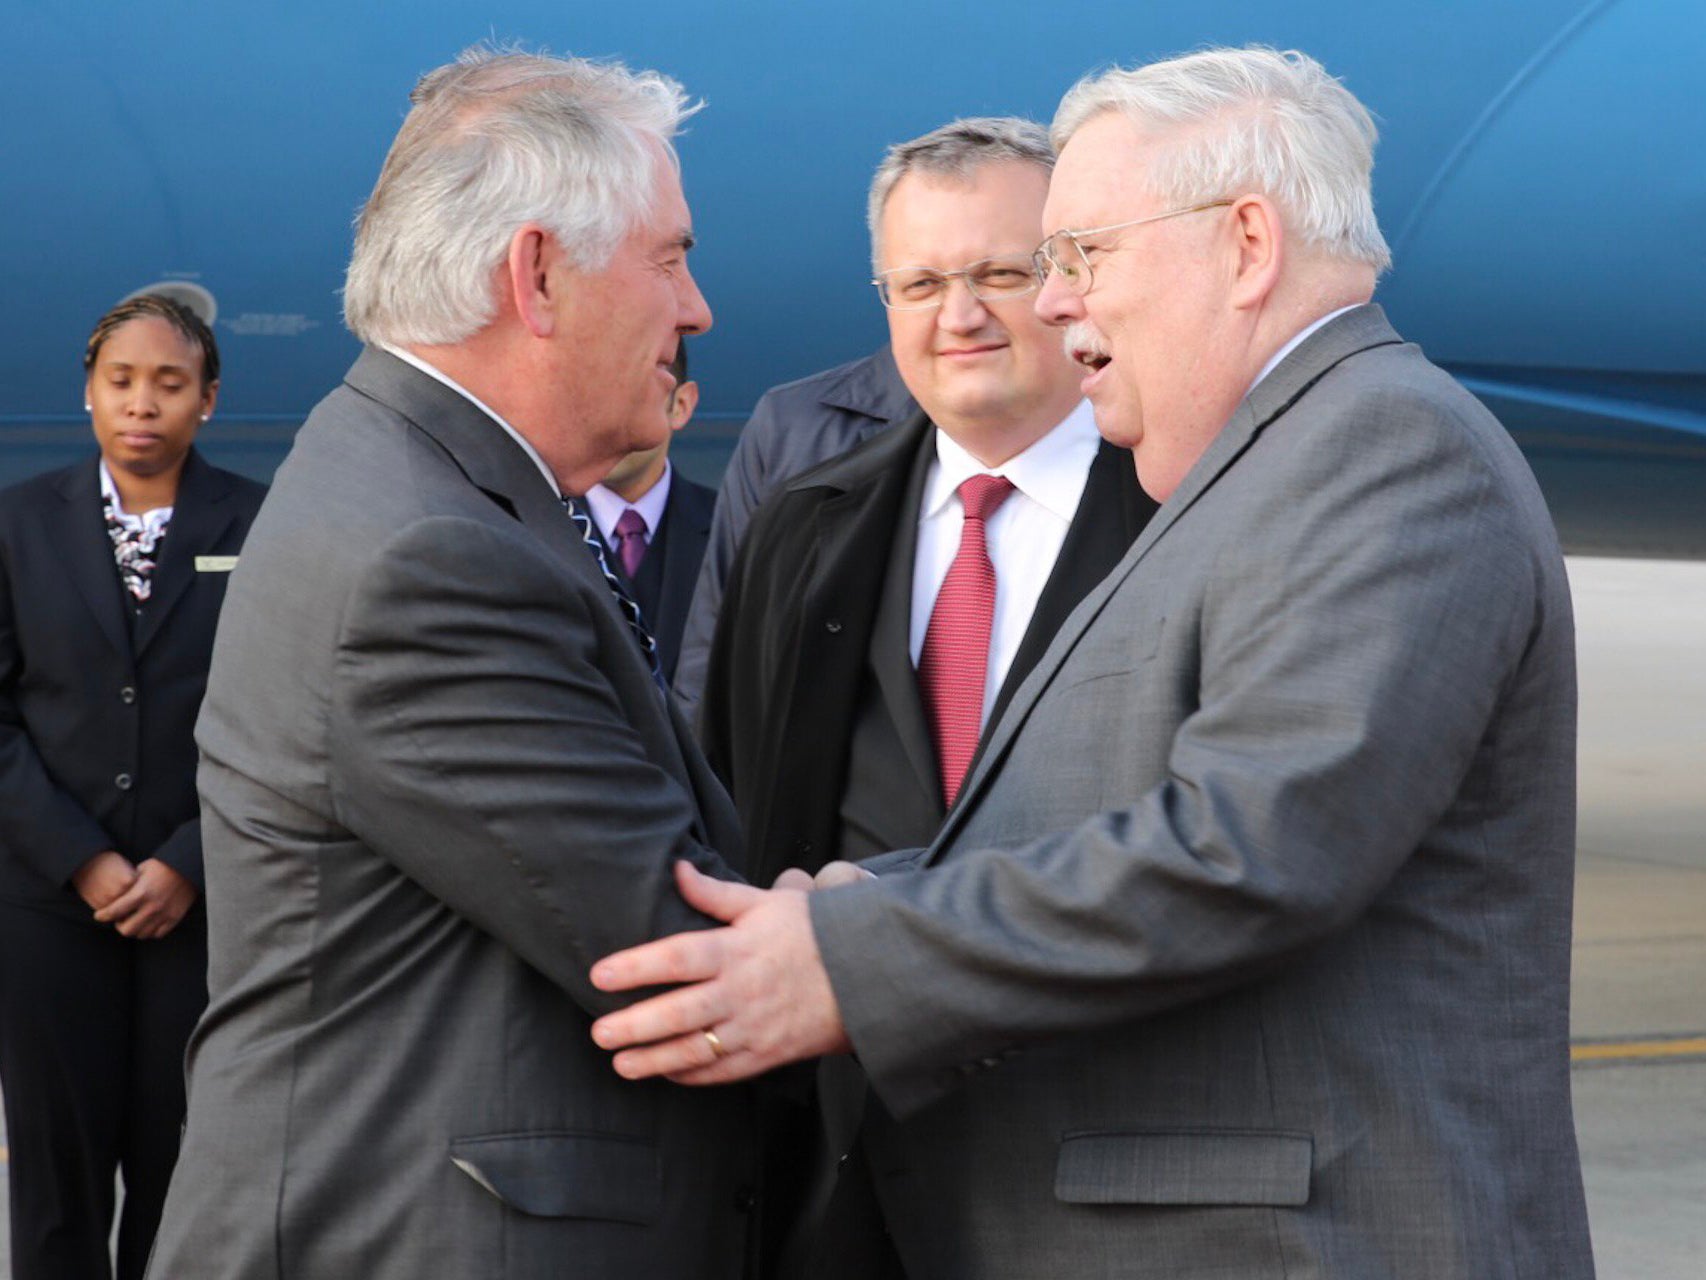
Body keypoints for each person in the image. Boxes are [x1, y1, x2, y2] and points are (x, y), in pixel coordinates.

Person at [590, 46, 1595, 1279]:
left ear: (1244, 242)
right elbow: (1125, 807)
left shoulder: (1382, 450)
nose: (1055, 304)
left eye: (1082, 255)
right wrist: (874, 897)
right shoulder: (1253, 463)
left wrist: (854, 960)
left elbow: (1249, 848)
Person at [146, 48, 753, 1280]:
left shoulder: (412, 473)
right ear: (536, 274)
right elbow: (664, 954)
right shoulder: (430, 549)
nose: (695, 311)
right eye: (670, 255)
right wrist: (889, 924)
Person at [700, 117, 1155, 1277]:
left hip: (1106, 1163)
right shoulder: (804, 526)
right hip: (848, 1185)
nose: (959, 314)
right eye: (919, 282)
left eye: (1001, 272)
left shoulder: (1184, 522)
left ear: (1070, 280)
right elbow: (738, 810)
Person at [0, 294, 265, 1280]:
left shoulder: (260, 521)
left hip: (201, 909)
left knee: (186, 1171)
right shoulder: (19, 524)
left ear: (208, 399)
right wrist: (82, 855)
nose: (141, 403)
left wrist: (189, 858)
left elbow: (285, 712)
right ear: (88, 392)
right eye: (120, 380)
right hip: (47, 905)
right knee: (55, 1189)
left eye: (168, 382)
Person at [672, 345, 913, 710]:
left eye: (998, 281)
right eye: (924, 285)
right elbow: (717, 638)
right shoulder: (789, 426)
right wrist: (694, 765)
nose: (959, 317)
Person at [578, 339, 715, 682]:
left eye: (628, 392)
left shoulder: (738, 530)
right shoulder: (525, 527)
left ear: (681, 404)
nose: (604, 418)